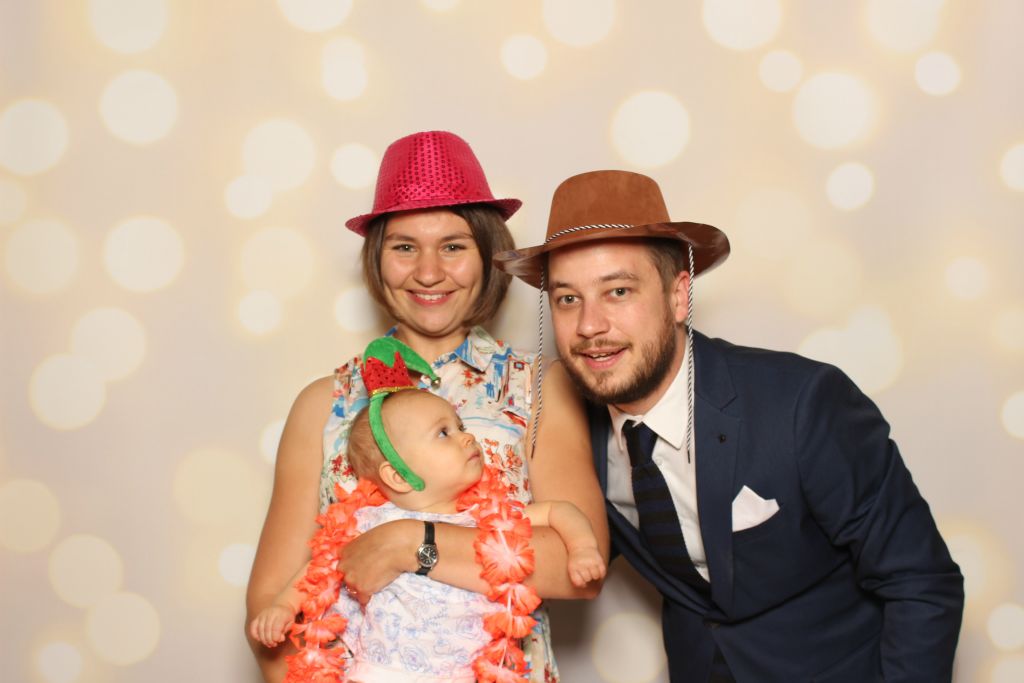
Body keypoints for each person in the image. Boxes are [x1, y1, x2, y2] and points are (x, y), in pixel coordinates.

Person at [494, 170, 965, 682]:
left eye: (619, 291)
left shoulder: (801, 405)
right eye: (567, 299)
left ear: (678, 296)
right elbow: (547, 548)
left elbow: (921, 582)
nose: (589, 325)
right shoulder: (571, 431)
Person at [245, 131, 609, 683]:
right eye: (404, 247)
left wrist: (412, 543)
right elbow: (271, 607)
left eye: (454, 246)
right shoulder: (324, 403)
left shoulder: (538, 387)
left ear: (487, 255)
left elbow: (576, 568)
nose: (429, 272)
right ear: (377, 259)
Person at [250, 359, 606, 682]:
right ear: (398, 476)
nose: (467, 436)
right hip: (383, 674)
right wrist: (284, 606)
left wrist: (583, 548)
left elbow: (558, 511)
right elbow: (320, 568)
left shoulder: (484, 519)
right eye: (443, 433)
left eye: (459, 426)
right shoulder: (372, 520)